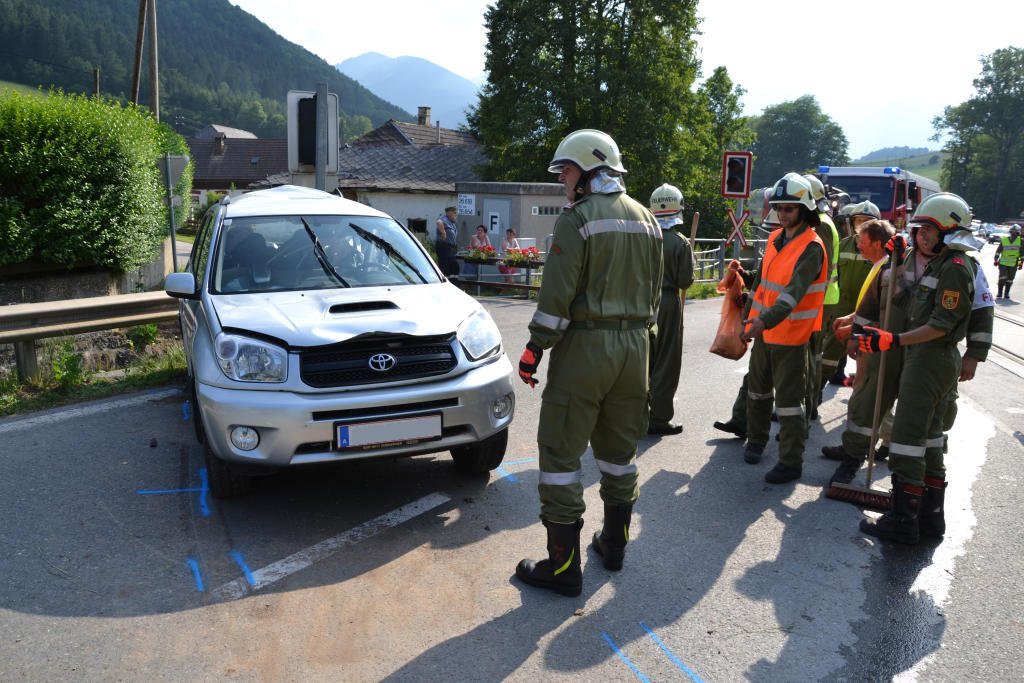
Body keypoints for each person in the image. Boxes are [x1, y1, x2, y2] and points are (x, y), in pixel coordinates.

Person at [515, 129, 663, 596]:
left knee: (561, 455)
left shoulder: (576, 220)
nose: (562, 180)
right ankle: (614, 548)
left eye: (566, 171)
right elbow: (655, 296)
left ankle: (563, 569)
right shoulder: (648, 220)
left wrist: (535, 348)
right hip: (635, 349)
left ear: (589, 171)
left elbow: (556, 299)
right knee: (620, 455)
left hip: (586, 349)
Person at [854, 192, 977, 545]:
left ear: (949, 232)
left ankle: (903, 521)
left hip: (929, 359)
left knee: (907, 440)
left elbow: (939, 325)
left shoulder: (955, 269)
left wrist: (894, 340)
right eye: (919, 230)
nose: (922, 237)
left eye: (929, 231)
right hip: (925, 357)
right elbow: (904, 298)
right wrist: (898, 260)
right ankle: (929, 518)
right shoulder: (933, 263)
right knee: (931, 441)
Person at [734, 174, 827, 483]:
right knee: (757, 392)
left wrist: (763, 321)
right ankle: (756, 440)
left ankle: (790, 461)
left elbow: (791, 294)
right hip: (765, 332)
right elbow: (763, 283)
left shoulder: (812, 247)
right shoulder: (776, 238)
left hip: (791, 336)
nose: (782, 213)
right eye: (779, 207)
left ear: (805, 209)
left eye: (789, 208)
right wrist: (746, 306)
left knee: (789, 404)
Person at [818, 219, 899, 480]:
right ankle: (856, 446)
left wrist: (854, 332)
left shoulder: (889, 271)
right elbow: (869, 306)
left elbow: (885, 314)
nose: (859, 246)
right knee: (864, 399)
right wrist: (850, 319)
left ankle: (869, 449)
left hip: (876, 345)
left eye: (862, 242)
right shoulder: (879, 266)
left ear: (877, 243)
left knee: (870, 401)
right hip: (868, 343)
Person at [646, 183, 695, 435]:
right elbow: (685, 281)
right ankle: (659, 418)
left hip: (642, 301)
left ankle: (637, 415)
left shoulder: (643, 238)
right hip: (667, 302)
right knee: (666, 361)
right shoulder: (680, 242)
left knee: (644, 359)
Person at [821, 201, 881, 389]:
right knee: (827, 359)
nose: (863, 225)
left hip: (868, 314)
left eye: (868, 222)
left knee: (868, 362)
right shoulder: (842, 245)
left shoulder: (881, 249)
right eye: (859, 221)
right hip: (841, 312)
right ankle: (813, 396)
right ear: (852, 223)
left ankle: (863, 397)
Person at [802, 174, 840, 422]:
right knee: (811, 354)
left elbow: (819, 270)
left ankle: (810, 404)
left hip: (820, 300)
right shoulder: (820, 221)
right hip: (820, 298)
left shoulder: (821, 226)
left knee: (812, 355)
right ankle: (809, 403)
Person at [994, 224, 1022, 299]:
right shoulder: (1004, 240)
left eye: (1015, 232)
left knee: (1010, 279)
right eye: (1012, 231)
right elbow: (998, 251)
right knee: (1002, 277)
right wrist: (996, 259)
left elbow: (1022, 253)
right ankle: (1000, 293)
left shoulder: (1021, 241)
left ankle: (1006, 293)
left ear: (1018, 233)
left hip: (1014, 264)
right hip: (1003, 263)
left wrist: (1021, 263)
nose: (1013, 233)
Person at [435, 206, 459, 277]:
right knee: (445, 267)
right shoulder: (445, 219)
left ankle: (453, 281)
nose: (456, 215)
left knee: (454, 266)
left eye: (456, 213)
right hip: (443, 246)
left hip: (450, 247)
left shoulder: (452, 222)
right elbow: (438, 222)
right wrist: (443, 232)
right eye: (454, 213)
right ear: (449, 213)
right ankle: (445, 281)